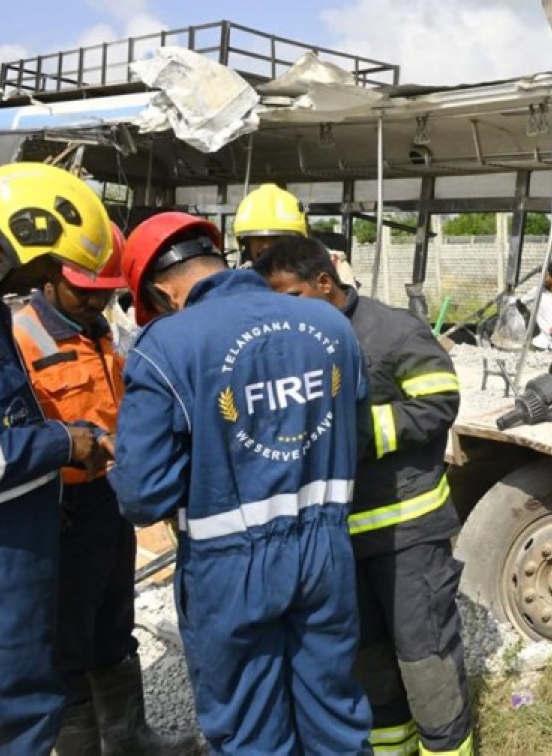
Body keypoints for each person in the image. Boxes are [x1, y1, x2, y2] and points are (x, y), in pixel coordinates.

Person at [108, 212, 373, 755]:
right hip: (325, 552)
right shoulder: (329, 324)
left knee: (253, 735)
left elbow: (142, 495)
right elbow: (357, 434)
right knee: (336, 719)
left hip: (227, 567)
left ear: (161, 291)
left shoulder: (166, 345)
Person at [253, 236, 474, 756]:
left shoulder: (393, 330)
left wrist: (356, 433)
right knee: (367, 657)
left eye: (291, 296)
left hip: (405, 532)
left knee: (425, 654)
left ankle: (447, 747)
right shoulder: (289, 345)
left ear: (324, 282)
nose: (283, 311)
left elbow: (440, 403)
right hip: (338, 540)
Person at [12, 223, 196, 756]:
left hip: (110, 497)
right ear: (49, 278)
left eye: (105, 291)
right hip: (60, 508)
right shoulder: (21, 337)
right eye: (84, 290)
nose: (96, 300)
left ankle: (129, 739)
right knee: (67, 641)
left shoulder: (102, 330)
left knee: (114, 621)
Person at [0, 163, 114, 756]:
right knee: (20, 702)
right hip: (13, 551)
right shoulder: (23, 327)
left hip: (38, 524)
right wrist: (62, 445)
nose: (42, 278)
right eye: (46, 265)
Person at [233, 182, 359, 287]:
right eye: (258, 238)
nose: (267, 245)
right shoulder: (240, 278)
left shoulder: (334, 266)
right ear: (246, 242)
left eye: (276, 238)